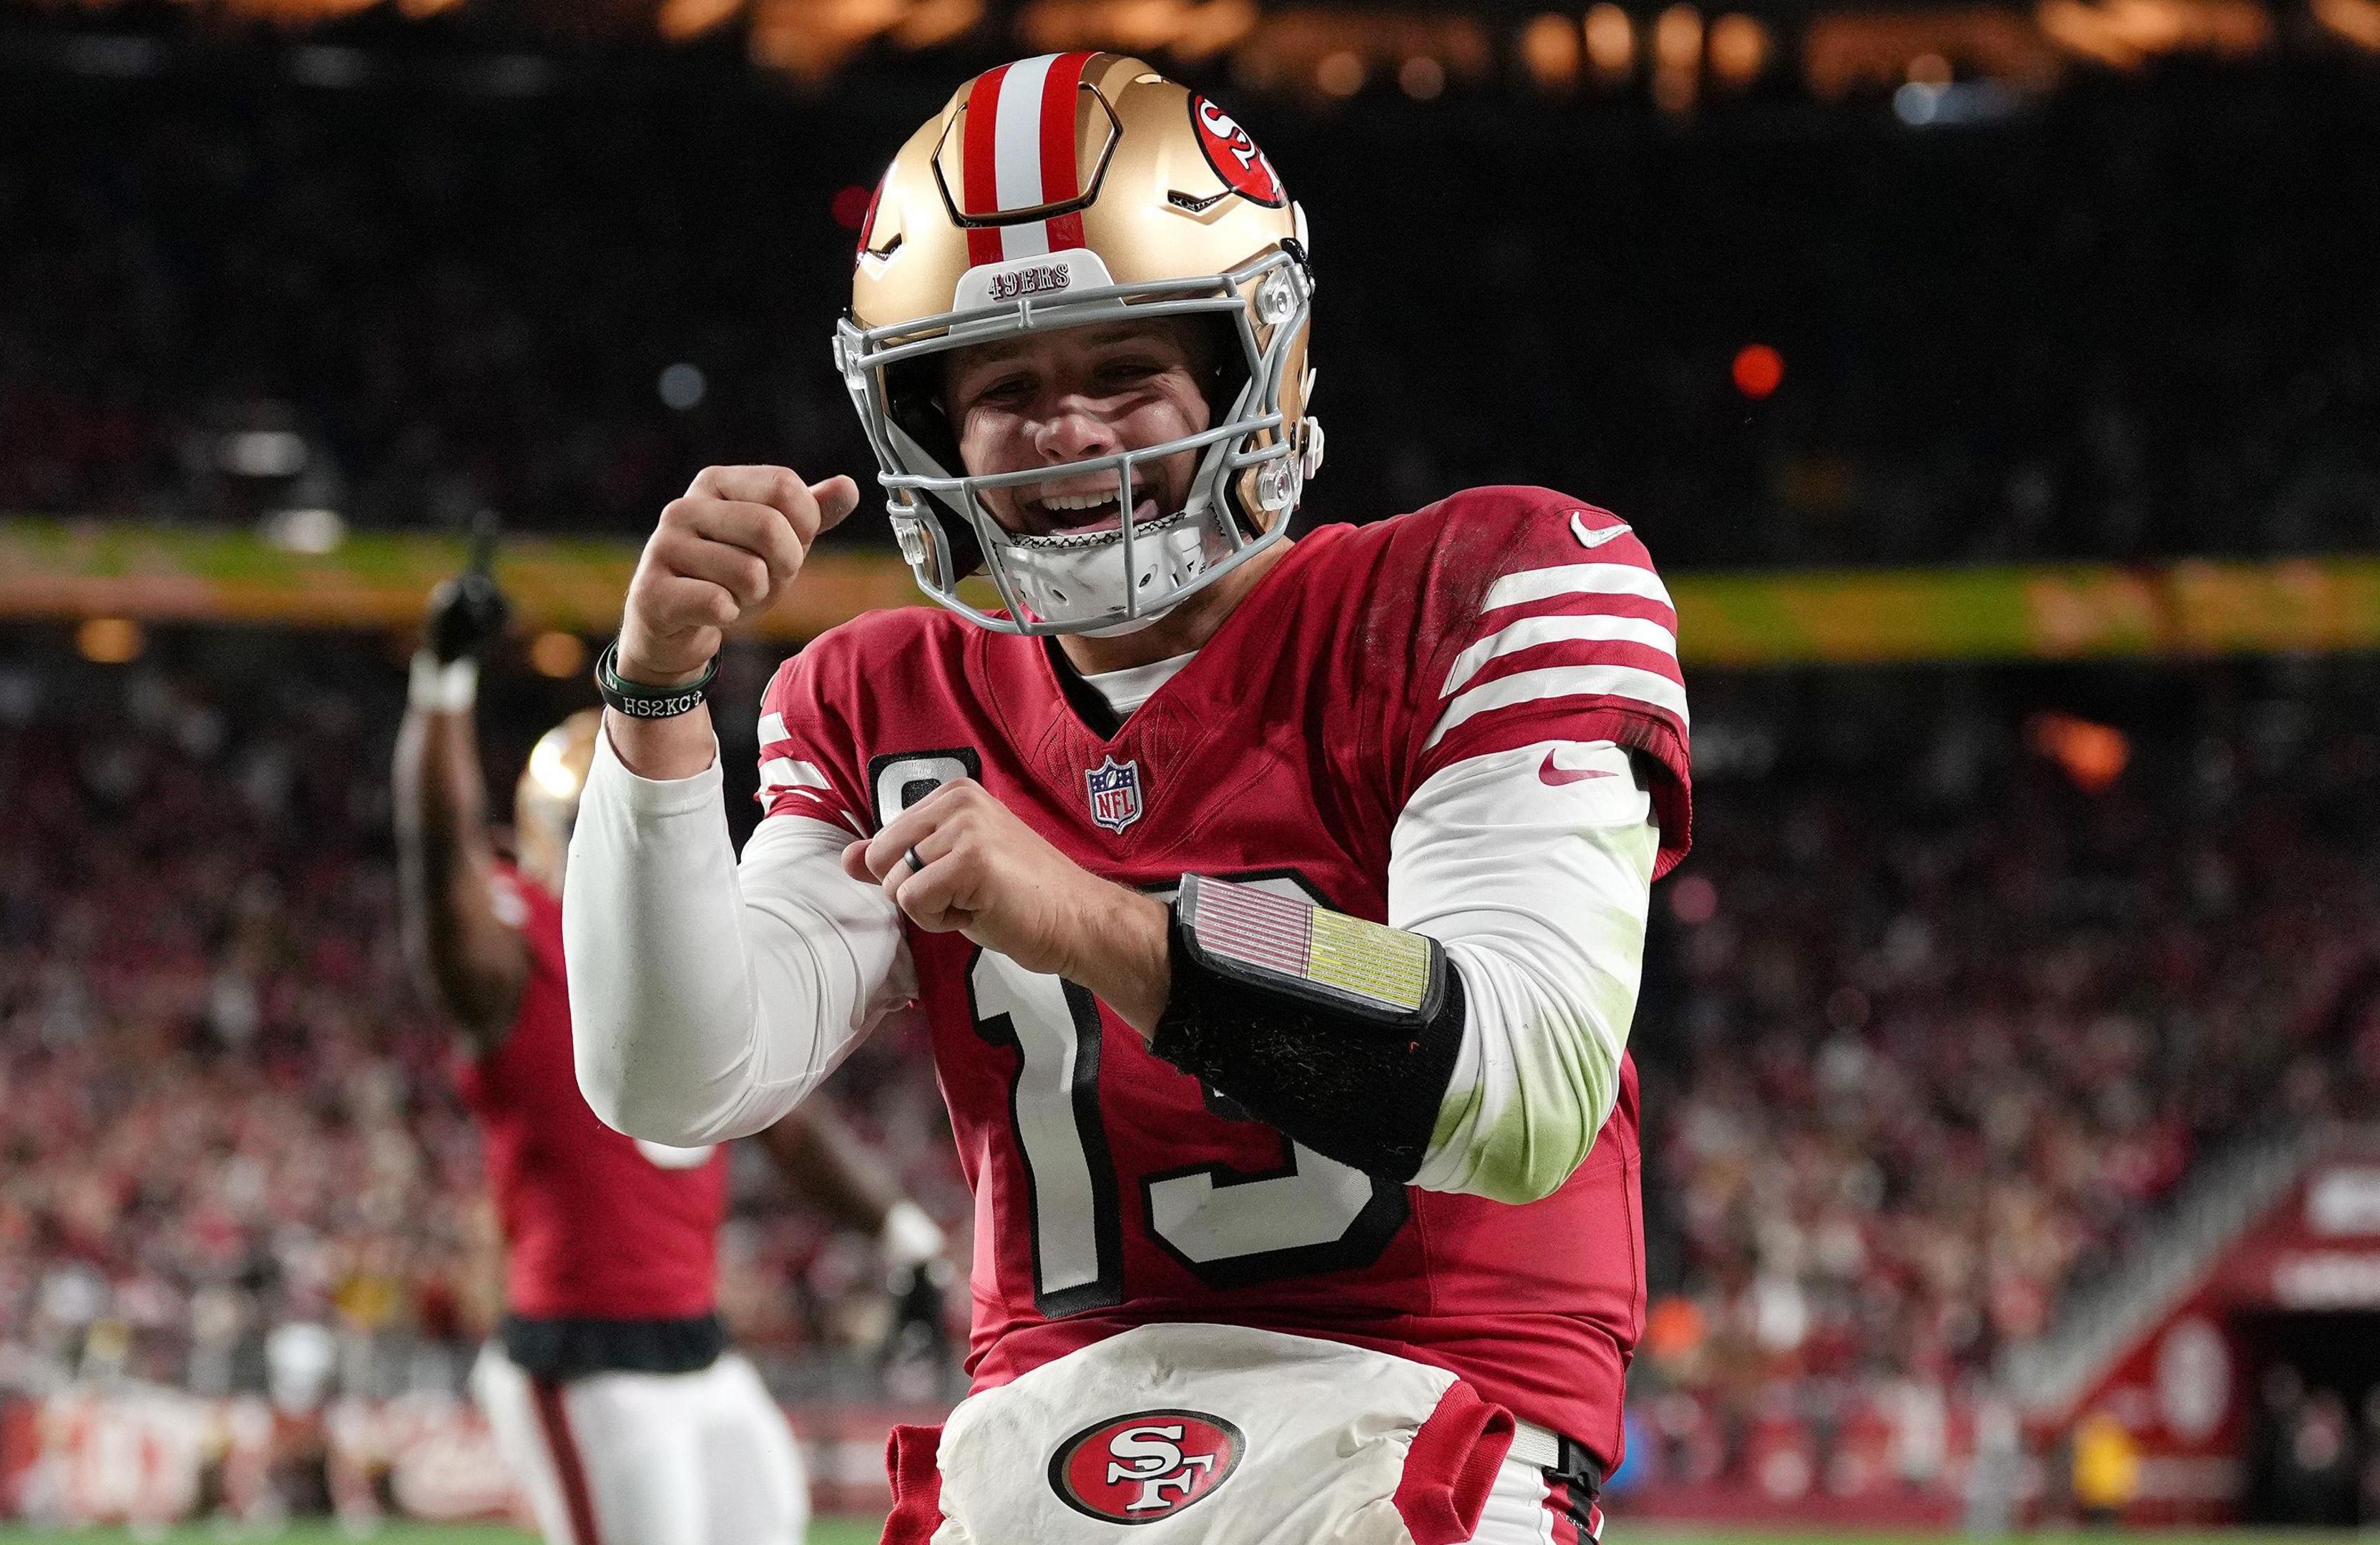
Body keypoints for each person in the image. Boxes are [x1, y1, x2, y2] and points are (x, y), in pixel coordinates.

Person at [567, 52, 1690, 1545]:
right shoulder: (875, 701)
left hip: (1423, 1422)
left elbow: (1524, 1076)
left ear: (1250, 368)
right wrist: (650, 701)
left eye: (1124, 372)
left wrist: (1101, 923)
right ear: (925, 433)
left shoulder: (1485, 589)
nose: (1069, 431)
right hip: (1046, 1435)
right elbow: (675, 1077)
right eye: (1007, 389)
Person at [395, 573, 948, 1545]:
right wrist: (441, 688)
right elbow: (440, 871)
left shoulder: (701, 944)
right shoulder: (515, 948)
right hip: (581, 1354)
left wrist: (906, 1235)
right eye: (591, 822)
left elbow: (785, 1119)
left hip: (699, 1349)